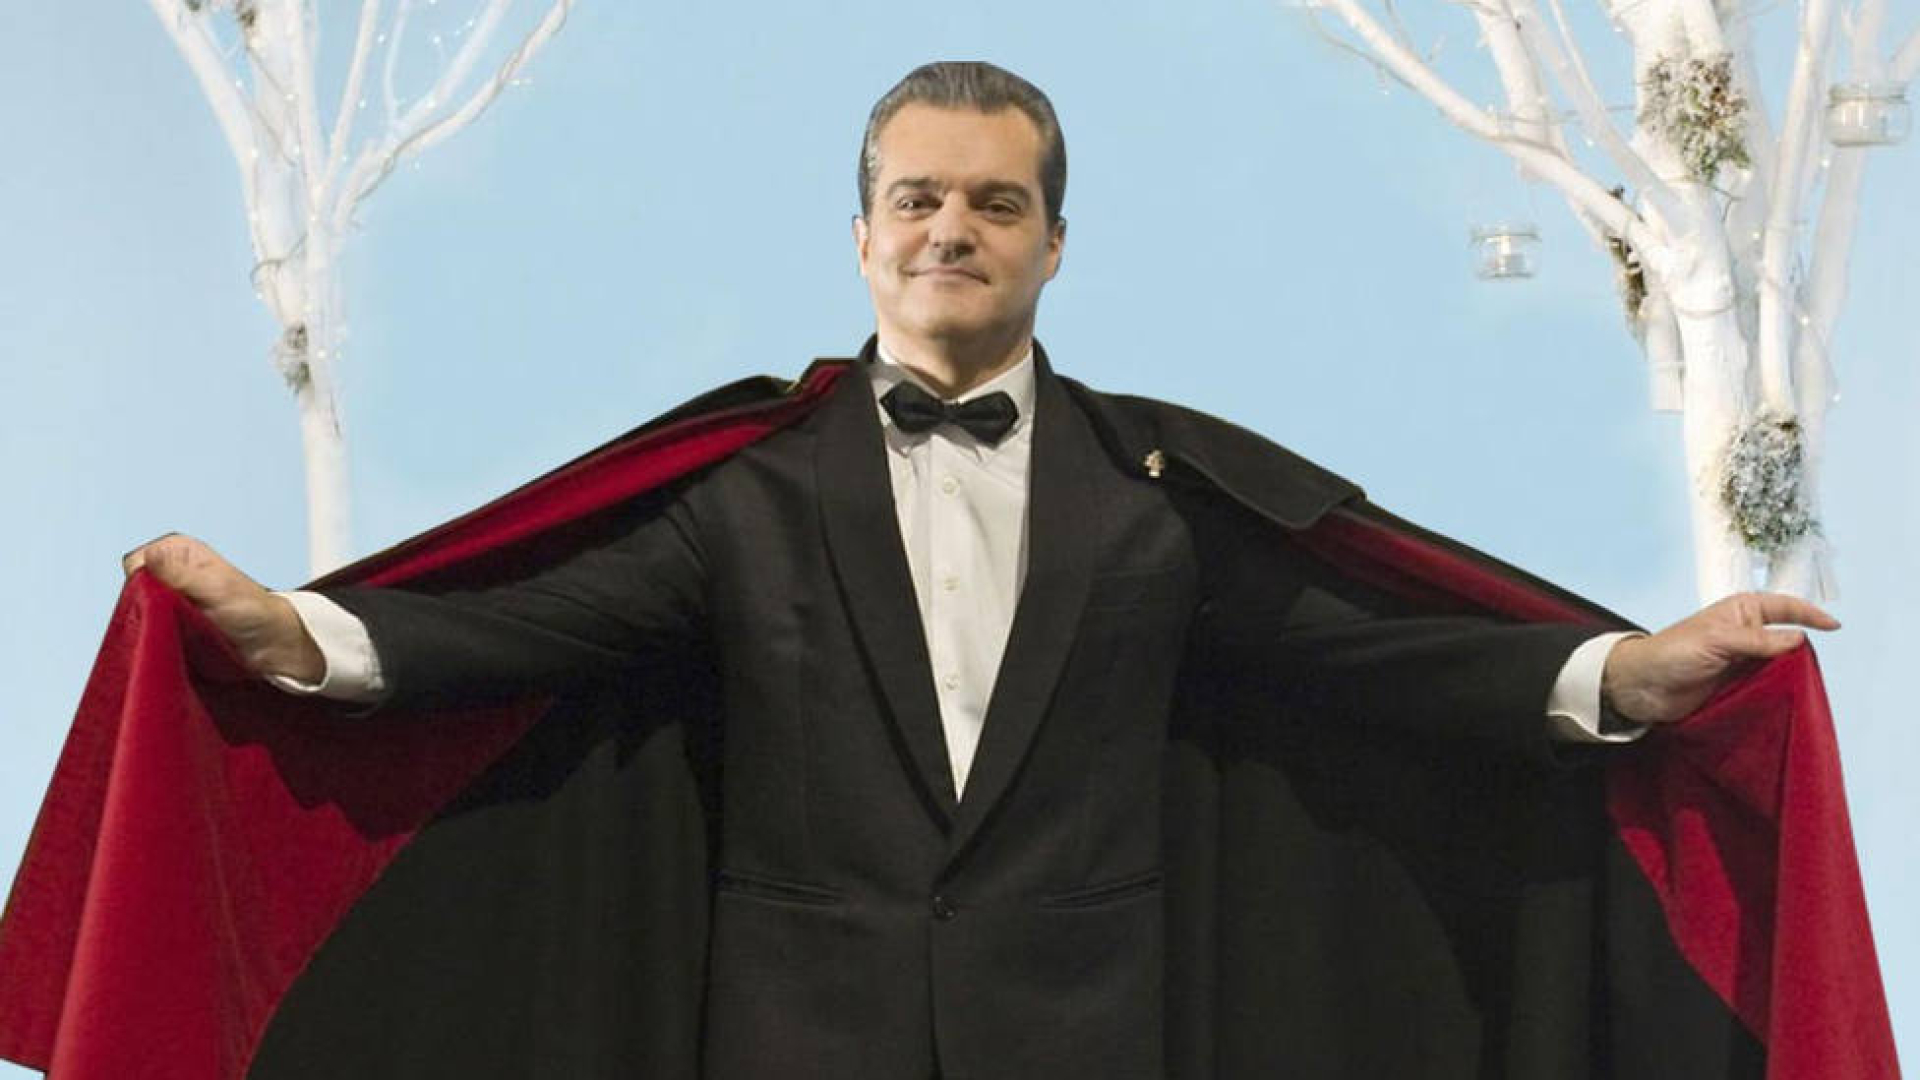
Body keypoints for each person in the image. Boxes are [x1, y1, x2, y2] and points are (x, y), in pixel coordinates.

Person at [115, 62, 1838, 1079]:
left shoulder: (1156, 498)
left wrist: (1626, 672)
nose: (954, 229)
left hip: (1087, 1042)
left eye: (997, 205)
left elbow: (1367, 647)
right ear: (864, 235)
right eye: (920, 199)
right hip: (795, 1049)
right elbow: (522, 626)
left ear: (1055, 244)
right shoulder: (752, 489)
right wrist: (298, 635)